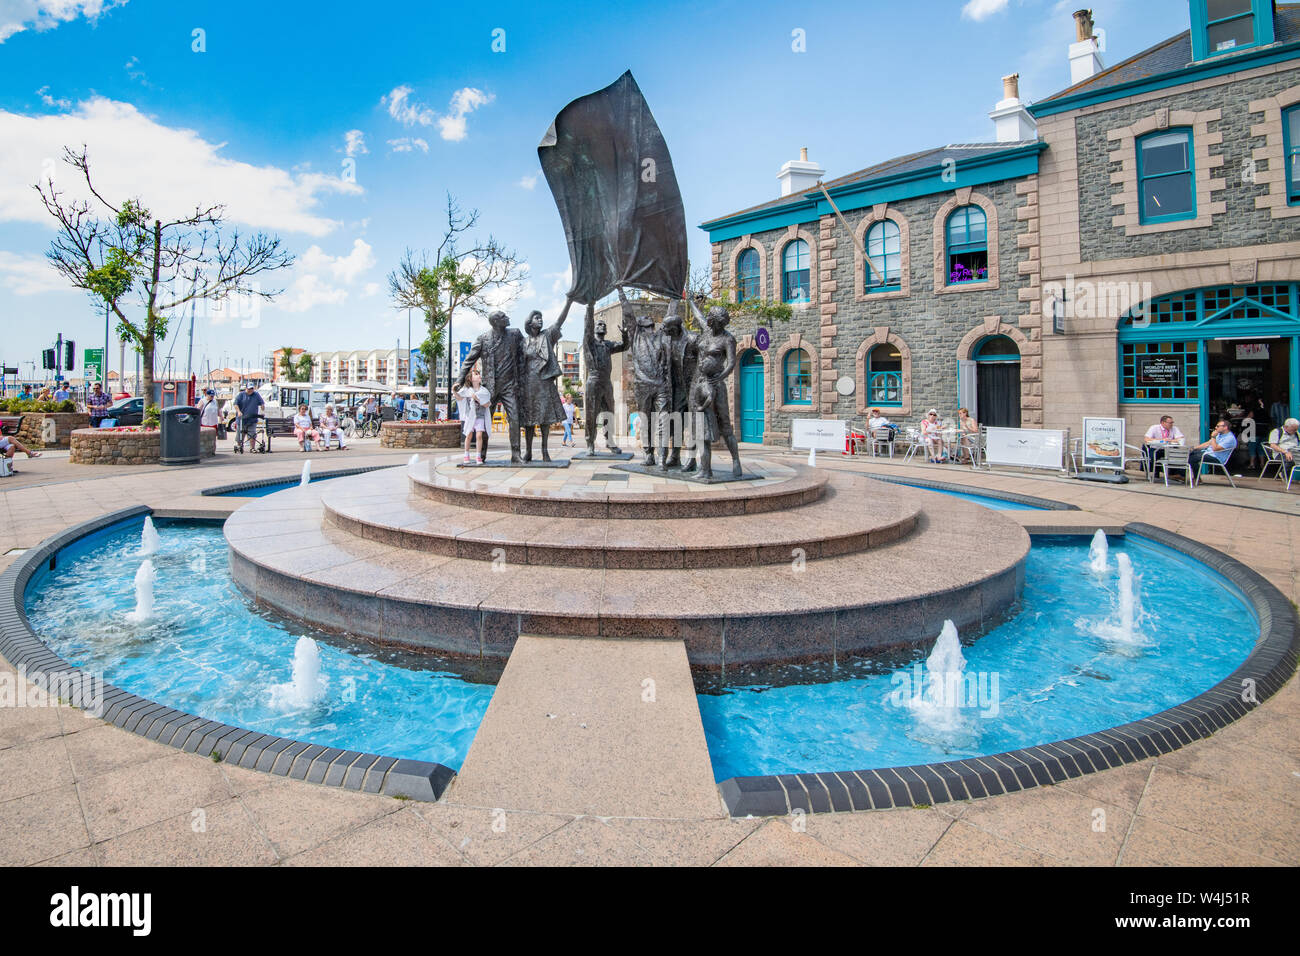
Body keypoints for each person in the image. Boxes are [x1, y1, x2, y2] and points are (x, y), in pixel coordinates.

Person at [520, 303, 572, 462]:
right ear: (529, 322)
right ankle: (528, 451)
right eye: (536, 318)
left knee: (545, 418)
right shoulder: (523, 342)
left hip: (544, 382)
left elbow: (559, 322)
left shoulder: (547, 336)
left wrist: (569, 302)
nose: (540, 320)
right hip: (528, 384)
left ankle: (544, 451)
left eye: (541, 318)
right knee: (529, 420)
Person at [457, 367, 491, 464]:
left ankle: (478, 456)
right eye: (476, 374)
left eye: (479, 374)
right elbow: (459, 397)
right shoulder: (467, 390)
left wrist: (477, 398)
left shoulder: (484, 391)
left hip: (480, 416)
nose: (479, 376)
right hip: (469, 416)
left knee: (479, 435)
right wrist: (454, 390)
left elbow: (487, 404)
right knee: (468, 435)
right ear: (470, 379)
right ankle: (466, 455)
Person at [233, 383, 264, 451]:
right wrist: (238, 411)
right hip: (242, 418)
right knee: (240, 434)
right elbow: (235, 404)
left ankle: (252, 448)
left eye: (252, 388)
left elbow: (261, 402)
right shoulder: (241, 395)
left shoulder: (256, 394)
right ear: (246, 388)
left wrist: (262, 406)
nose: (250, 390)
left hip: (252, 419)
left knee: (252, 434)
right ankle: (239, 446)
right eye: (249, 388)